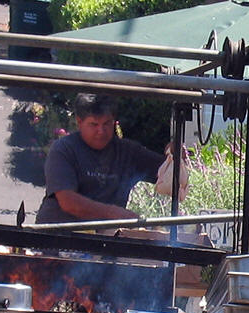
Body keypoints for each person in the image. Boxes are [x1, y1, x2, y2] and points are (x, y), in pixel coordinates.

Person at [35, 93, 182, 223]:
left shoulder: (129, 152)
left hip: (106, 239)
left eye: (107, 123)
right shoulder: (63, 149)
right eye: (94, 124)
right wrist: (114, 214)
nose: (101, 131)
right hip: (57, 235)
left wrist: (173, 154)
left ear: (114, 121)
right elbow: (68, 202)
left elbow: (169, 172)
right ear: (79, 122)